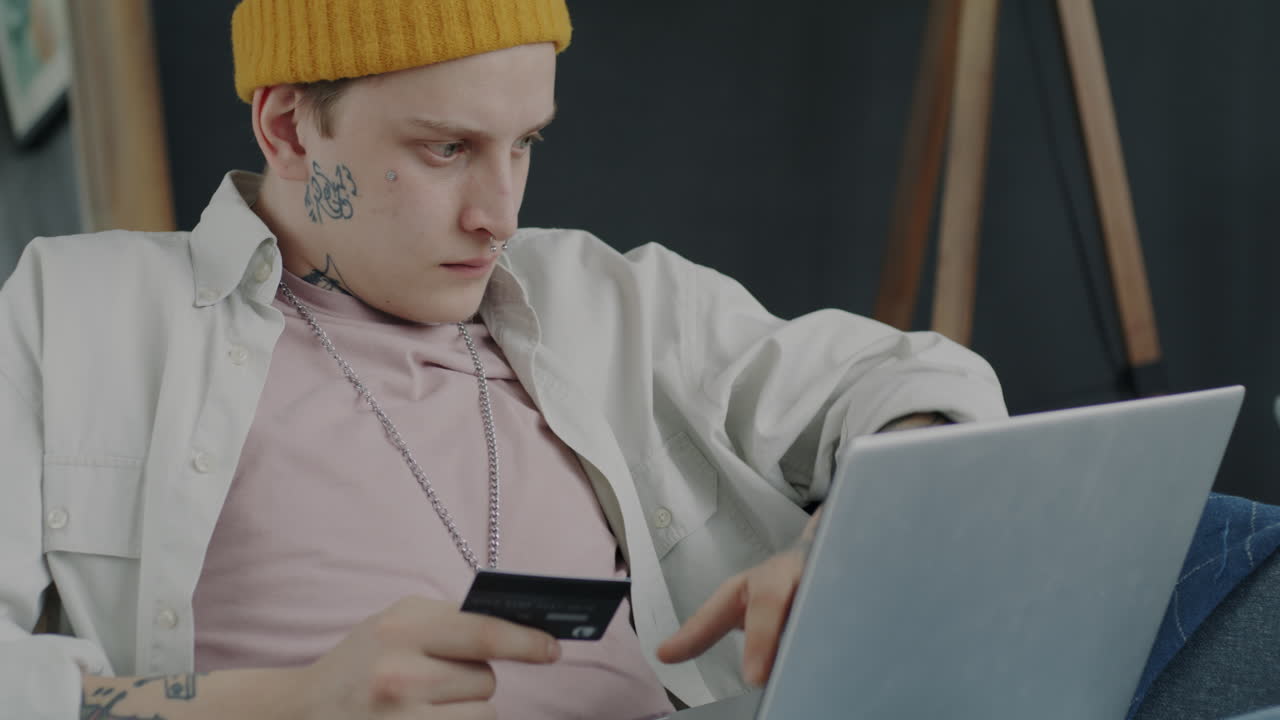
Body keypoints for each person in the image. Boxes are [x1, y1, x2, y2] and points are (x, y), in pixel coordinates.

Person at [0, 1, 1006, 718]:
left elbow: (918, 382)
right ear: (290, 126)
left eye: (523, 142)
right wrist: (291, 703)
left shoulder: (607, 297)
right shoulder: (81, 314)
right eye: (446, 149)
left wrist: (858, 537)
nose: (500, 213)